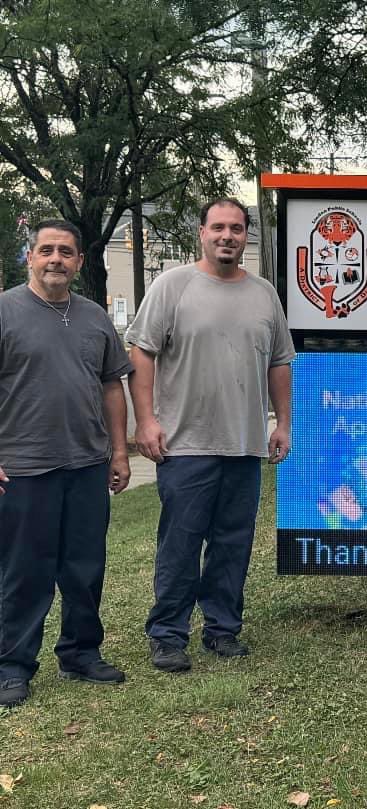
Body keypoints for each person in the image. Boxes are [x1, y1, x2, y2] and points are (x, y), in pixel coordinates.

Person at [127, 199, 295, 673]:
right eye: (218, 227)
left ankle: (222, 631)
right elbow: (142, 355)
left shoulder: (264, 294)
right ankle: (168, 635)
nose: (228, 236)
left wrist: (281, 422)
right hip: (185, 445)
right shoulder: (172, 286)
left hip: (243, 445)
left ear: (247, 236)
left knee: (233, 542)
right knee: (180, 543)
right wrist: (146, 421)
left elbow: (279, 362)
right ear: (201, 232)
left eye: (237, 228)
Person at [0, 220, 132, 708]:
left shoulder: (95, 317)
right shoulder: (6, 310)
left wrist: (119, 452)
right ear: (30, 257)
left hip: (86, 465)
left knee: (84, 567)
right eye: (46, 250)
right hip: (24, 466)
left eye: (66, 252)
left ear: (79, 262)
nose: (56, 259)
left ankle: (81, 652)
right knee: (24, 571)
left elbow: (111, 386)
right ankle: (13, 665)